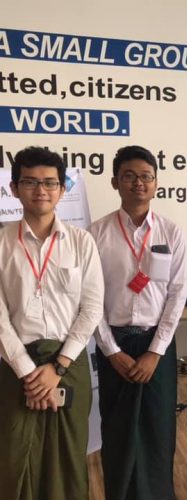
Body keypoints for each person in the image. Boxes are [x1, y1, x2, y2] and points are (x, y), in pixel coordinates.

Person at [0, 146, 104, 500]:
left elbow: (91, 308)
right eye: (30, 182)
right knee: (16, 462)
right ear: (14, 188)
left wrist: (58, 367)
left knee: (68, 460)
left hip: (68, 365)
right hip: (17, 370)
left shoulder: (81, 241)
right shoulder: (2, 243)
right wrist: (29, 374)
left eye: (49, 183)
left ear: (62, 189)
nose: (40, 190)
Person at [89, 145, 187, 500]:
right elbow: (90, 299)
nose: (138, 183)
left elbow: (177, 294)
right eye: (129, 176)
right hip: (114, 346)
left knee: (158, 432)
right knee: (117, 433)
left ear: (156, 183)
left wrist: (155, 352)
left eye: (146, 176)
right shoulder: (96, 233)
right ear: (115, 182)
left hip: (155, 347)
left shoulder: (171, 232)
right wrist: (111, 351)